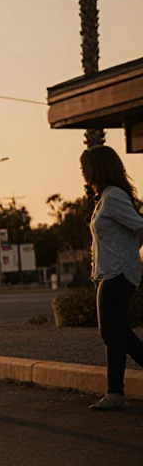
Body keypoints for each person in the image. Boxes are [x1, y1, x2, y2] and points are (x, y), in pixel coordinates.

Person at [80, 146, 143, 411]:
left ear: (99, 167)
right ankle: (115, 392)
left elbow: (140, 225)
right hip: (109, 272)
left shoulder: (114, 196)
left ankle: (115, 393)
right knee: (118, 332)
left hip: (118, 273)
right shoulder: (105, 197)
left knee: (111, 332)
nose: (82, 171)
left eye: (86, 166)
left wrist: (129, 253)